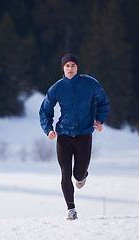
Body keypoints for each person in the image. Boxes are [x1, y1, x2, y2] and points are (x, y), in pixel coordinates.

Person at [39, 53, 110, 220]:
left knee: (78, 175)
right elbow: (45, 111)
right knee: (65, 173)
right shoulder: (56, 88)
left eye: (73, 65)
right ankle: (71, 210)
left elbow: (103, 102)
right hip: (64, 134)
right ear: (63, 68)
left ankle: (83, 176)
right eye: (67, 66)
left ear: (77, 68)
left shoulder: (90, 84)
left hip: (84, 134)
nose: (70, 69)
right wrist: (48, 129)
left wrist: (100, 120)